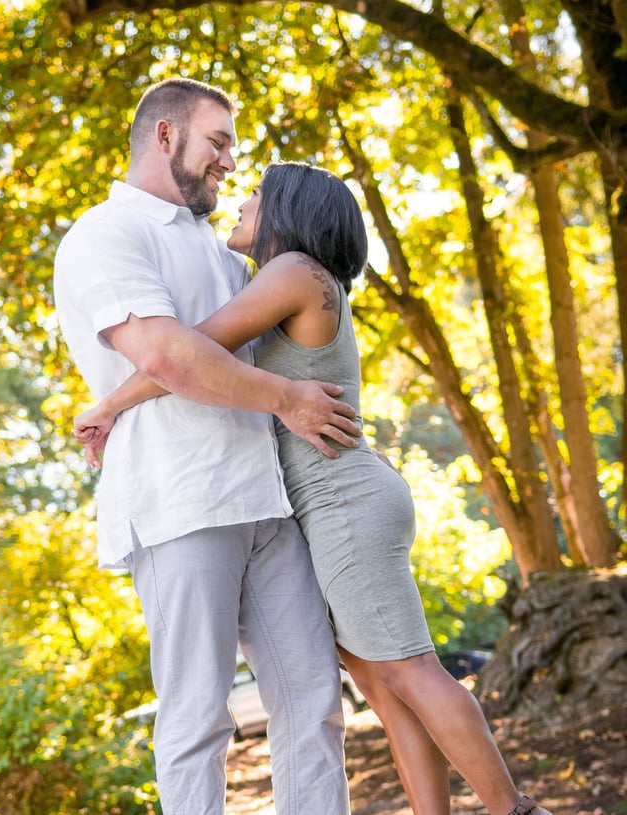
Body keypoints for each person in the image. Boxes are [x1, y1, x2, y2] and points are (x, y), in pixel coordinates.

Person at [74, 161, 555, 815]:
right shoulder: (294, 279)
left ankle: (514, 809)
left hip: (341, 502)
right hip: (331, 500)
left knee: (411, 669)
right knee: (383, 687)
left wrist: (112, 403)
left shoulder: (295, 271)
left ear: (287, 209)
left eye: (256, 192)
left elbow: (195, 349)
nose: (242, 199)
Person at [54, 79, 358, 815]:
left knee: (314, 700)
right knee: (197, 718)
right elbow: (166, 354)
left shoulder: (223, 249)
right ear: (165, 137)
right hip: (180, 502)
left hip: (268, 500)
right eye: (218, 141)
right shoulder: (104, 235)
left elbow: (242, 345)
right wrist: (289, 400)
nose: (229, 161)